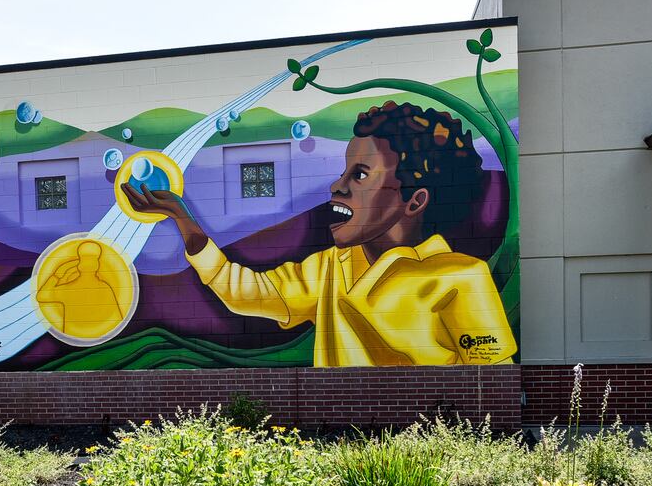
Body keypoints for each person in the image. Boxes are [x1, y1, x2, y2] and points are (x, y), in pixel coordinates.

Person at [122, 101, 516, 367]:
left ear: (415, 201)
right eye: (344, 172)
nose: (336, 187)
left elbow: (492, 384)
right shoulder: (331, 268)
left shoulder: (462, 278)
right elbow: (249, 294)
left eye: (359, 175)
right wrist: (184, 221)